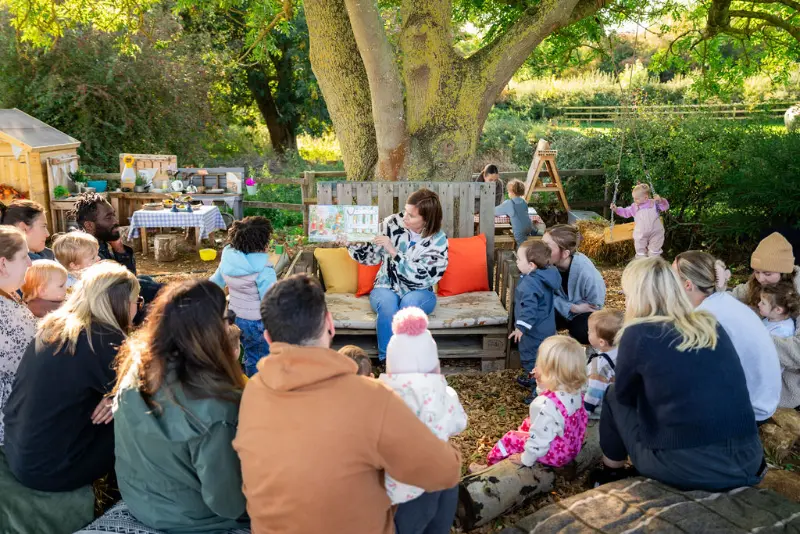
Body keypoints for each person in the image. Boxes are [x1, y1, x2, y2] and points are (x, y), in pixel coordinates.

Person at [234, 274, 462, 534]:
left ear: (267, 338)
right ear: (330, 324)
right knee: (441, 469)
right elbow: (443, 469)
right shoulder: (371, 397)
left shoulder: (252, 392)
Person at [590, 257, 765, 491]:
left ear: (635, 296)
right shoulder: (708, 324)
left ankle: (611, 472)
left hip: (690, 468)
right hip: (750, 459)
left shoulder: (638, 333)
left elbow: (625, 395)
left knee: (612, 395)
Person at [113, 280, 249, 533]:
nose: (231, 323)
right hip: (194, 519)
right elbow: (228, 504)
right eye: (228, 316)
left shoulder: (135, 367)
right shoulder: (217, 403)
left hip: (139, 499)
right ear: (210, 329)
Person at [3, 261, 140, 492]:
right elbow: (148, 393)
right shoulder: (104, 339)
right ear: (121, 304)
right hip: (53, 470)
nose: (138, 308)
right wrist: (121, 400)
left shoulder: (56, 326)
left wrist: (115, 396)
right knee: (139, 418)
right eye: (138, 301)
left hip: (19, 454)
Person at [378, 307, 467, 534]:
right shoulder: (444, 394)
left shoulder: (382, 399)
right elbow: (459, 423)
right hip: (440, 476)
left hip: (404, 487)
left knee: (407, 527)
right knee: (439, 521)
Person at [346, 189, 448, 360]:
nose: (405, 218)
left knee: (409, 305)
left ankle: (407, 361)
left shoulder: (438, 240)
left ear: (427, 219)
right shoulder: (391, 223)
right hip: (385, 286)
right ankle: (388, 360)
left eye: (412, 216)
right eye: (405, 211)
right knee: (387, 305)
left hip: (420, 291)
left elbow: (423, 277)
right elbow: (371, 256)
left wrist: (393, 252)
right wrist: (351, 244)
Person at [473, 335, 588, 470]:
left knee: (510, 439)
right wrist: (541, 382)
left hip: (555, 453)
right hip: (571, 445)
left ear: (549, 373)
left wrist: (526, 458)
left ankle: (490, 467)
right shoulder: (574, 389)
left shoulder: (544, 405)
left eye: (539, 364)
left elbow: (540, 439)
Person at [730, 232, 800, 408]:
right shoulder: (760, 282)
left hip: (784, 383)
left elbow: (798, 351)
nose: (760, 278)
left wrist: (755, 338)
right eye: (756, 272)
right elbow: (732, 298)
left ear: (784, 271)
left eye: (767, 273)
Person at [210, 216, 277, 376]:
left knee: (243, 350)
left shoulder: (228, 261)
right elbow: (271, 301)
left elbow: (214, 283)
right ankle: (255, 388)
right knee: (258, 357)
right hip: (257, 322)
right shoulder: (264, 270)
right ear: (262, 244)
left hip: (235, 317)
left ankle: (242, 379)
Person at [72, 192, 161, 306]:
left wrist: (118, 246)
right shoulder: (84, 251)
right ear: (89, 225)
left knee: (145, 279)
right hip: (106, 304)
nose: (115, 221)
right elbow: (124, 285)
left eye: (114, 215)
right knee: (151, 287)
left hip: (118, 293)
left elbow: (129, 276)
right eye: (108, 217)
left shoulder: (100, 241)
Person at [509, 240, 561, 404]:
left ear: (531, 265)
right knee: (543, 357)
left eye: (518, 259)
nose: (516, 262)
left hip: (533, 331)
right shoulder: (547, 275)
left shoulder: (530, 284)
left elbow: (529, 308)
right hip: (546, 326)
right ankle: (535, 380)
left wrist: (520, 328)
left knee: (533, 359)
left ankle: (538, 390)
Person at [0, 226, 35, 446]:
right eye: (24, 256)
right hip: (14, 426)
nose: (30, 263)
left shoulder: (8, 292)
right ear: (3, 264)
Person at [541, 224, 606, 344]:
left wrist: (579, 310)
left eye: (547, 247)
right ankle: (548, 349)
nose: (541, 250)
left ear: (565, 254)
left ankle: (582, 354)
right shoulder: (545, 266)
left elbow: (595, 306)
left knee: (582, 331)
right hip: (563, 309)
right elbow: (543, 295)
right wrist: (572, 307)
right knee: (535, 315)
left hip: (583, 313)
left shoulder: (587, 272)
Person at [610, 183, 669, 258]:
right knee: (640, 251)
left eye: (637, 198)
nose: (634, 200)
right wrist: (617, 209)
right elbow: (626, 212)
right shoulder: (634, 207)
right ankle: (641, 263)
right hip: (641, 233)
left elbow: (665, 206)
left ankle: (654, 263)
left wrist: (660, 200)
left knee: (654, 251)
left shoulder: (654, 203)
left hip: (656, 232)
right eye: (633, 198)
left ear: (646, 197)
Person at [584, 309, 624, 418]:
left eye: (590, 330)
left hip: (599, 413)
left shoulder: (599, 366)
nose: (587, 332)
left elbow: (593, 395)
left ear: (601, 342)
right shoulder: (623, 351)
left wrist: (584, 414)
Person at [495, 179, 536, 248]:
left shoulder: (509, 203)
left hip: (519, 229)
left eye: (508, 191)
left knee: (522, 247)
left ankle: (523, 256)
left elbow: (495, 211)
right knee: (528, 242)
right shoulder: (524, 202)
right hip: (529, 227)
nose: (508, 193)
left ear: (512, 192)